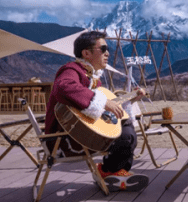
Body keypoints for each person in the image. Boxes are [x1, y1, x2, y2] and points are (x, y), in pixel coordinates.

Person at [45, 30, 149, 192]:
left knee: (125, 124)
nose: (107, 53)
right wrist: (103, 102)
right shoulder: (71, 70)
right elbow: (63, 87)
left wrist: (131, 99)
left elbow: (102, 111)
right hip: (65, 139)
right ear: (86, 53)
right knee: (125, 131)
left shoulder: (93, 79)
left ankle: (113, 171)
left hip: (82, 134)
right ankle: (109, 171)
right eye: (103, 49)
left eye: (108, 49)